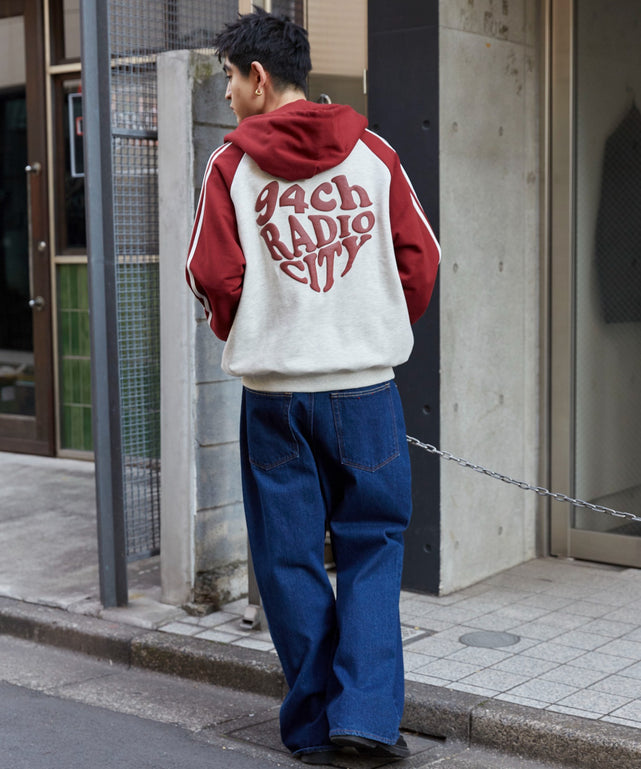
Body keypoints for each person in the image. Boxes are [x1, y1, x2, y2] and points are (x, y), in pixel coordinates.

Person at [186, 8, 440, 765]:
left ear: (259, 77)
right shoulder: (374, 153)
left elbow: (210, 275)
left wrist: (258, 332)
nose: (228, 94)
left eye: (231, 78)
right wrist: (367, 330)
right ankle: (366, 717)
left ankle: (311, 726)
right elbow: (421, 260)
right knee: (373, 547)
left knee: (288, 558)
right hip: (366, 392)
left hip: (275, 398)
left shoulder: (230, 167)